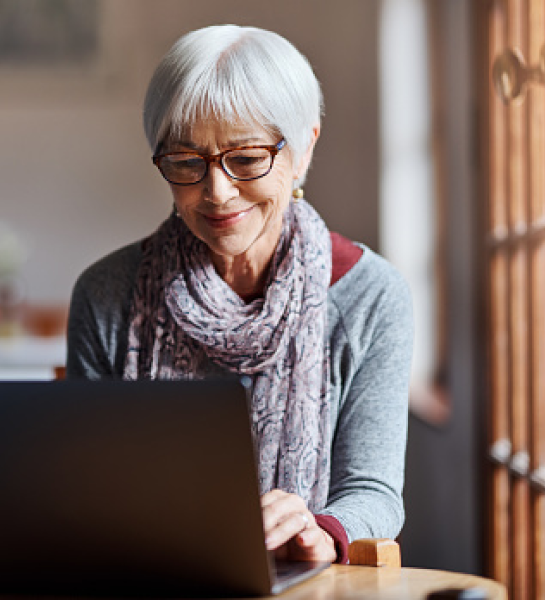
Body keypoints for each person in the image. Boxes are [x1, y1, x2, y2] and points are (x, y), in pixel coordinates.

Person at [67, 24, 412, 565]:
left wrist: (320, 531)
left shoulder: (372, 295)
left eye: (247, 158)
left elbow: (373, 490)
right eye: (186, 162)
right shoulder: (106, 295)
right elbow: (88, 485)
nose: (217, 192)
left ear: (301, 152)